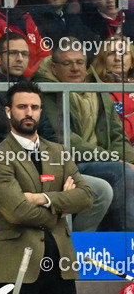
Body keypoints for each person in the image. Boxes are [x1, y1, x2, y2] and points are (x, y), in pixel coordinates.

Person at [0, 80, 93, 294]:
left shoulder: (59, 152)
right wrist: (61, 205)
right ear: (8, 112)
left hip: (60, 263)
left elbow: (86, 197)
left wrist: (43, 198)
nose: (29, 112)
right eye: (22, 107)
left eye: (35, 107)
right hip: (15, 264)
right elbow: (18, 211)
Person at [34, 36, 134, 231]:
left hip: (100, 160)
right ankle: (123, 241)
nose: (75, 69)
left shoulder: (96, 89)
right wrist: (113, 159)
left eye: (80, 63)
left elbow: (116, 135)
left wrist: (130, 159)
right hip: (67, 164)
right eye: (68, 64)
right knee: (121, 172)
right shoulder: (46, 91)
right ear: (54, 68)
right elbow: (65, 138)